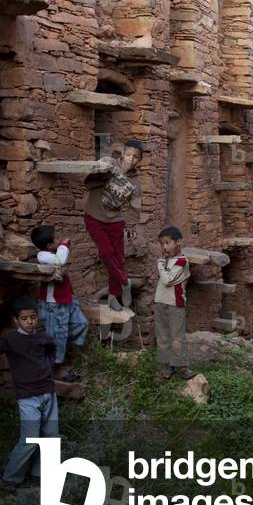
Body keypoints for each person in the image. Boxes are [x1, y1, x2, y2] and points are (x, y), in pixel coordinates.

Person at [0, 296, 59, 490]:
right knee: (30, 439)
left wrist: (48, 368)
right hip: (27, 397)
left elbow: (52, 350)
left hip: (48, 393)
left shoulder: (43, 337)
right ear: (15, 320)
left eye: (33, 317)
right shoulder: (10, 340)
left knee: (50, 436)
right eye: (24, 318)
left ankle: (39, 473)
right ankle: (11, 478)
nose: (30, 321)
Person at [83, 139, 144, 312]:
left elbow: (134, 208)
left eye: (136, 157)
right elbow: (87, 184)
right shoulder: (108, 166)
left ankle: (112, 297)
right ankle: (125, 282)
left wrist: (131, 226)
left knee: (119, 259)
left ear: (139, 160)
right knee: (106, 253)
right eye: (129, 155)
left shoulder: (136, 183)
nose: (131, 159)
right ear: (123, 153)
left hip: (115, 221)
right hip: (94, 216)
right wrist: (105, 177)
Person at [32, 224, 88, 382]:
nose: (60, 238)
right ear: (49, 245)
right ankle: (55, 368)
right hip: (53, 304)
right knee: (57, 336)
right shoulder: (43, 256)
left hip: (67, 300)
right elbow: (60, 260)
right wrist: (64, 245)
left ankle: (62, 354)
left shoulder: (51, 252)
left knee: (80, 324)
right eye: (56, 238)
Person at [154, 226, 195, 380]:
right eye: (162, 244)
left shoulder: (182, 262)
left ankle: (182, 367)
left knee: (177, 337)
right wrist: (162, 263)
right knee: (163, 336)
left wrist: (160, 264)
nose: (164, 247)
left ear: (178, 242)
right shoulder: (167, 261)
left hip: (175, 303)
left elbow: (167, 279)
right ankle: (167, 366)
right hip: (160, 302)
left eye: (167, 243)